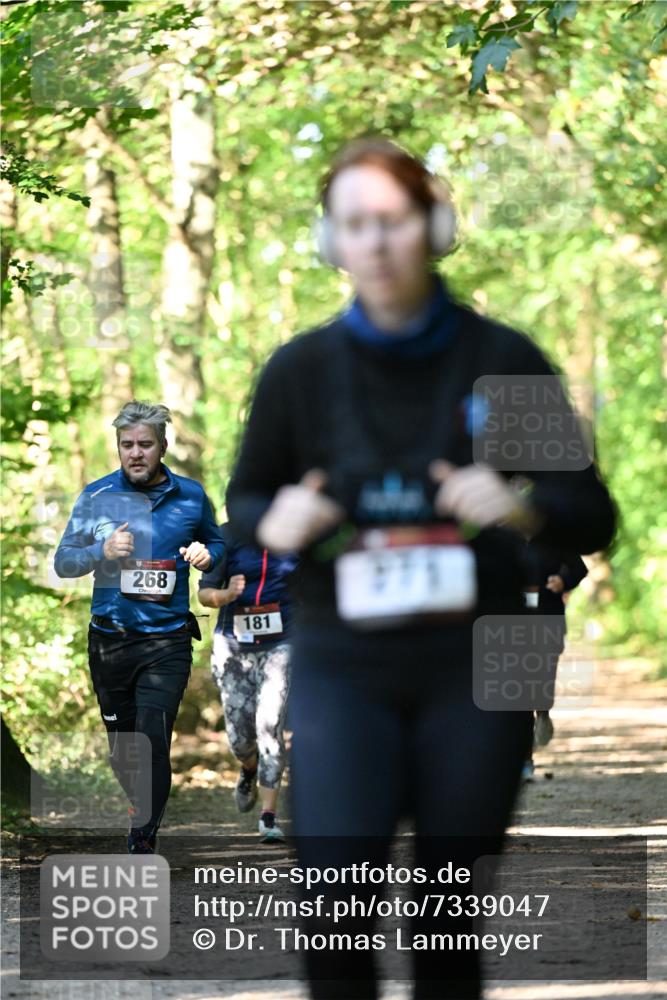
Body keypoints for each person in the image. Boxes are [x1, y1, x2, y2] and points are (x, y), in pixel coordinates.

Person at [225, 138, 617, 999]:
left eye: (394, 221)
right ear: (332, 242)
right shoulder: (302, 371)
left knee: (446, 929)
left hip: (469, 674)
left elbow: (592, 514)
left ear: (433, 229)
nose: (376, 242)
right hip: (341, 671)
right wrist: (274, 519)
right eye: (355, 224)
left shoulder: (502, 360)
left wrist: (519, 506)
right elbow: (245, 503)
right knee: (334, 918)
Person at [54, 401, 224, 854]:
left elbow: (218, 543)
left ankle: (143, 834)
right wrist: (101, 552)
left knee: (152, 740)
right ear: (118, 447)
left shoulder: (191, 496)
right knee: (122, 751)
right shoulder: (95, 497)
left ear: (163, 445)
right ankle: (139, 808)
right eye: (126, 444)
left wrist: (209, 558)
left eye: (144, 444)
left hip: (167, 641)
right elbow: (63, 561)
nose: (135, 452)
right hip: (110, 641)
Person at [198, 526, 296, 842]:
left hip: (283, 643)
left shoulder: (295, 534)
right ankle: (249, 769)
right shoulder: (226, 537)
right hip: (234, 646)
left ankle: (268, 816)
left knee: (270, 724)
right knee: (240, 737)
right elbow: (204, 594)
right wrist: (226, 595)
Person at [521, 546, 589, 780]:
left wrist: (563, 580)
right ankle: (525, 760)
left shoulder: (553, 539)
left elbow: (580, 568)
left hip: (548, 621)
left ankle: (543, 711)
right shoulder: (502, 537)